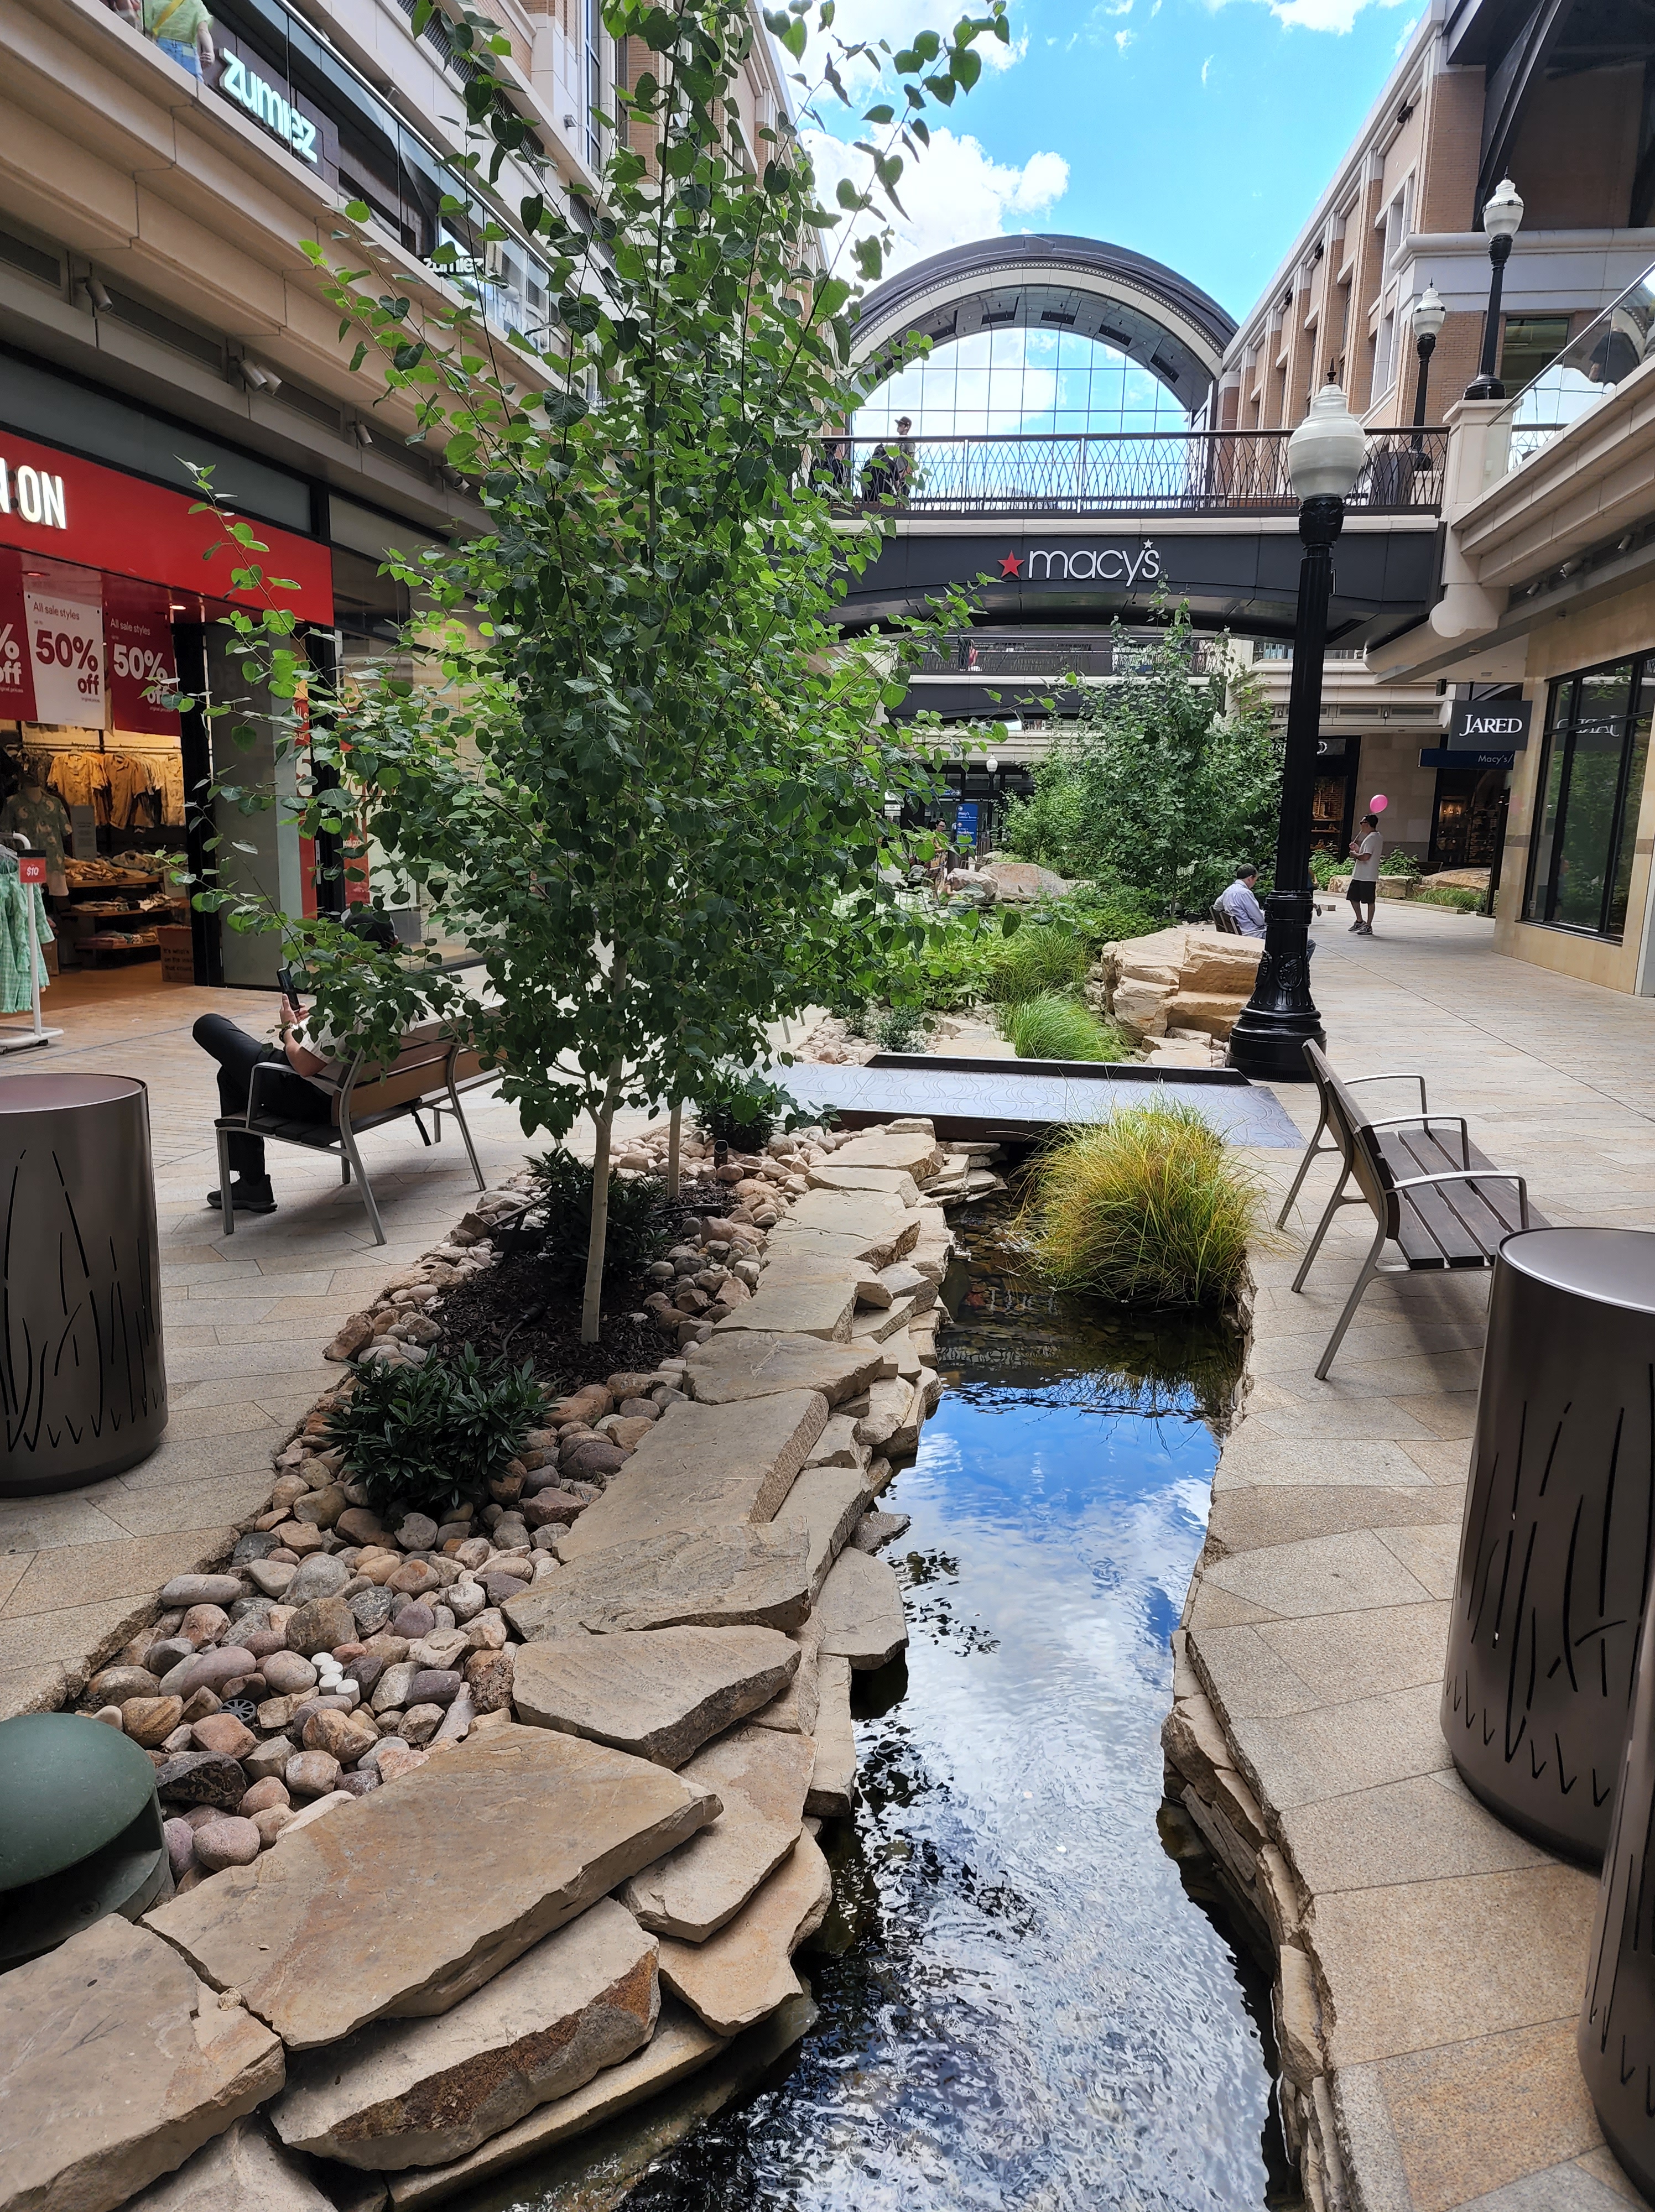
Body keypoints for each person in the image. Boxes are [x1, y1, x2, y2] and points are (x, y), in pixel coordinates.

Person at [192, 908, 399, 1215]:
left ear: (347, 947)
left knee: (208, 1025)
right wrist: (315, 1019)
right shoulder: (402, 990)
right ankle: (252, 1186)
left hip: (318, 1100)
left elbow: (304, 1065)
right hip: (369, 1092)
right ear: (395, 944)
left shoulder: (350, 996)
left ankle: (253, 1185)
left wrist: (289, 1029)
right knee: (231, 1075)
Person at [1347, 812, 1383, 935]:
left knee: (1369, 901)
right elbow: (1365, 853)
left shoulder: (1372, 838)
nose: (1361, 825)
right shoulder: (1375, 837)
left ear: (1367, 824)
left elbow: (1366, 857)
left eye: (1362, 823)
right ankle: (1360, 921)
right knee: (1353, 897)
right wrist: (1357, 850)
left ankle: (1368, 925)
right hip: (1361, 874)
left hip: (1367, 876)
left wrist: (1355, 855)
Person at [1216, 863, 1267, 938]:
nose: (1254, 883)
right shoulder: (1245, 893)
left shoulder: (1228, 891)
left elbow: (1217, 906)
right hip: (1251, 933)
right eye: (1255, 880)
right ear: (1250, 878)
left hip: (1237, 930)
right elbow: (1260, 921)